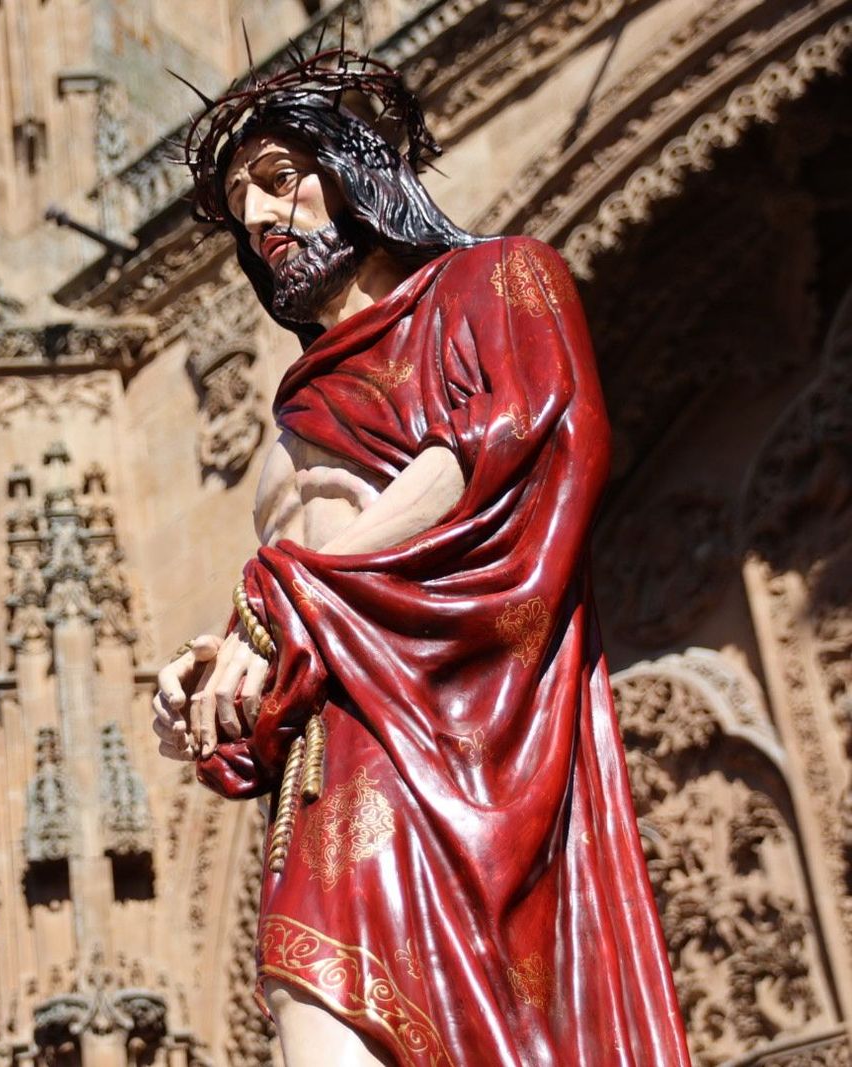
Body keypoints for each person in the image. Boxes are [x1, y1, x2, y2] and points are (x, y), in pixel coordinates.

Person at [152, 49, 692, 1066]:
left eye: (277, 179)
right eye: (241, 206)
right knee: (308, 1002)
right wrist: (215, 668)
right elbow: (293, 583)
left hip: (451, 722)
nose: (263, 219)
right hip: (333, 738)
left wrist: (273, 605)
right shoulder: (297, 407)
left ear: (353, 168)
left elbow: (509, 444)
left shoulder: (497, 280)